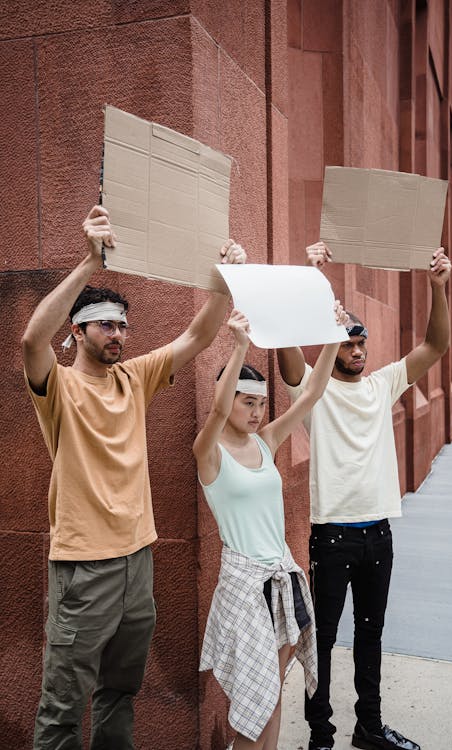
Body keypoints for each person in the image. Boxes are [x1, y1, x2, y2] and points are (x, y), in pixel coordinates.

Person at [22, 205, 246, 750]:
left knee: (120, 692)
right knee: (61, 708)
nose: (118, 333)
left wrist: (225, 281)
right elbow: (31, 341)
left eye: (123, 324)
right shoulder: (59, 387)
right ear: (77, 331)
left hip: (137, 561)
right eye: (105, 323)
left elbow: (197, 336)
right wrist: (86, 263)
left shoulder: (134, 377)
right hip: (83, 567)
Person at [277, 241, 452, 750]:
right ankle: (321, 735)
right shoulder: (312, 389)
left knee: (371, 636)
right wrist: (311, 280)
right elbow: (288, 357)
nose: (356, 350)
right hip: (331, 535)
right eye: (347, 342)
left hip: (378, 532)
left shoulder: (381, 384)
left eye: (360, 342)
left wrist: (437, 287)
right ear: (332, 343)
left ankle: (369, 728)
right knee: (324, 641)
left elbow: (435, 347)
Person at [194, 300, 349, 750]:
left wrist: (332, 337)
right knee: (252, 705)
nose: (257, 412)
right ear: (228, 399)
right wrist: (240, 346)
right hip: (245, 585)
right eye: (248, 402)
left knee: (273, 694)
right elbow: (218, 414)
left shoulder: (265, 442)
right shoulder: (209, 451)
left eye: (261, 403)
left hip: (282, 579)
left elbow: (313, 392)